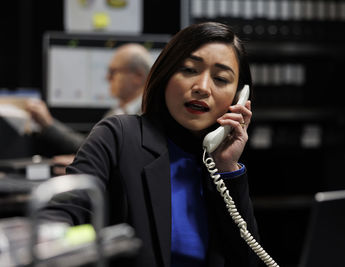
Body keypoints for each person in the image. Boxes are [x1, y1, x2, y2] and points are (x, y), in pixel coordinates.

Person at [38, 22, 264, 267]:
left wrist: (228, 170)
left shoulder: (223, 166)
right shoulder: (118, 136)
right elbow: (60, 218)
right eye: (189, 69)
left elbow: (249, 261)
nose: (201, 87)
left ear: (239, 98)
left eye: (220, 78)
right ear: (166, 74)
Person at [26, 43, 152, 173]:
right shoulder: (117, 111)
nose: (107, 78)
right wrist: (48, 124)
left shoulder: (150, 116)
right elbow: (89, 146)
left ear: (138, 76)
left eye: (113, 72)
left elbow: (137, 163)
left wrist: (88, 166)